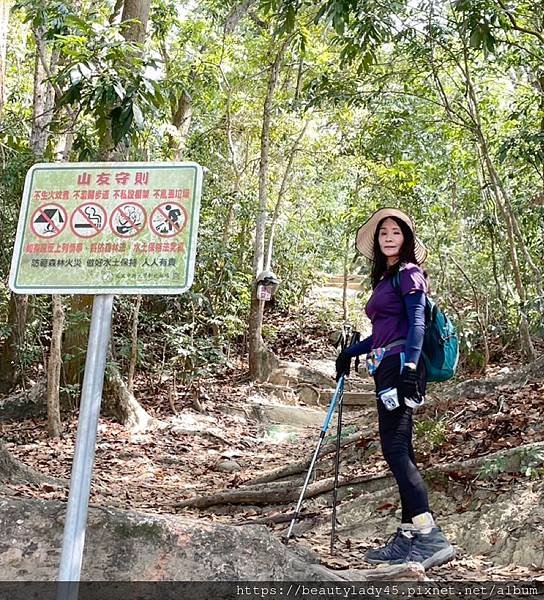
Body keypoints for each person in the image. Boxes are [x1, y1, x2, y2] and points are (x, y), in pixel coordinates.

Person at [335, 207, 455, 570]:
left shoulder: (409, 274)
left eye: (396, 232)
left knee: (396, 449)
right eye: (383, 232)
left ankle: (429, 534)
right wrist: (350, 352)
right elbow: (382, 334)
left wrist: (411, 366)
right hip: (386, 364)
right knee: (402, 449)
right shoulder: (387, 281)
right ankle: (407, 536)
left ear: (406, 240)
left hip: (401, 366)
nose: (388, 236)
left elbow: (417, 323)